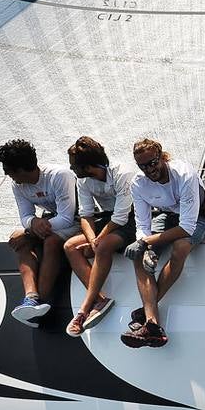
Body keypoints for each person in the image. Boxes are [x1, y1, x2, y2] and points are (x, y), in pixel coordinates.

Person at [121, 138, 205, 348]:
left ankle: (145, 314)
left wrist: (147, 241)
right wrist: (144, 245)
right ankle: (153, 325)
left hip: (199, 218)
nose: (149, 169)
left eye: (152, 163)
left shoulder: (184, 174)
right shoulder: (138, 183)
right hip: (168, 216)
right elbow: (142, 224)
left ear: (161, 156)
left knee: (180, 247)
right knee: (138, 256)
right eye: (143, 166)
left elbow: (187, 227)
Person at [0, 139, 78, 326]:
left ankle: (39, 304)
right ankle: (31, 298)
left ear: (20, 169)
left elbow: (67, 218)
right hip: (51, 222)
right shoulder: (18, 185)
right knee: (20, 244)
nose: (5, 174)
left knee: (50, 242)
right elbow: (25, 215)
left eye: (7, 169)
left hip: (79, 220)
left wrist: (30, 232)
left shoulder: (59, 175)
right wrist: (32, 223)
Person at [63, 136, 135, 336]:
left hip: (131, 219)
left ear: (87, 166)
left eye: (73, 167)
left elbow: (121, 216)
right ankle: (100, 300)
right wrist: (92, 239)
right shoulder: (83, 180)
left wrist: (98, 240)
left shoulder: (122, 174)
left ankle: (83, 311)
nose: (72, 171)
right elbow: (86, 214)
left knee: (103, 246)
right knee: (70, 246)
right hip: (106, 222)